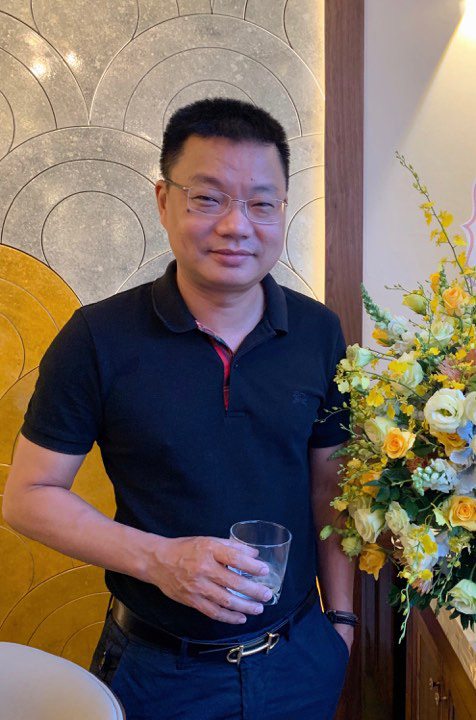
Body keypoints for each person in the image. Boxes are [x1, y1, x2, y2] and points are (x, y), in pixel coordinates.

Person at [4, 98, 355, 720]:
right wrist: (159, 560)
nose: (236, 225)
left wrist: (342, 623)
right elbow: (28, 497)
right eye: (208, 198)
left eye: (262, 203)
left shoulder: (318, 332)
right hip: (157, 670)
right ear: (164, 201)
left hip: (299, 658)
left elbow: (330, 485)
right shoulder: (97, 338)